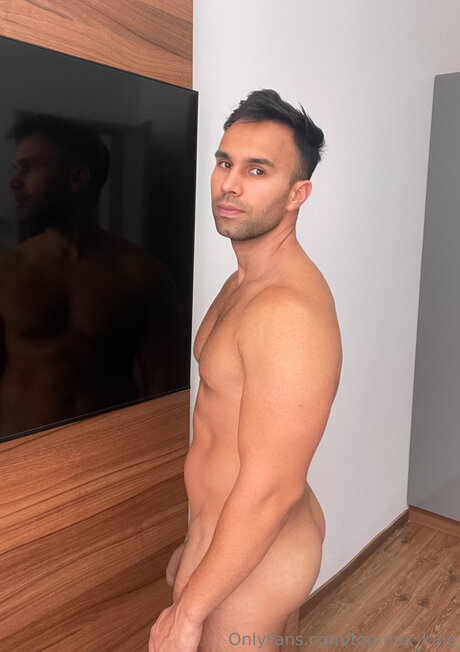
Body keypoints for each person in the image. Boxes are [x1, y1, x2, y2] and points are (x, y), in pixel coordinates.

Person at [149, 89, 342, 652]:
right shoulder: (245, 280)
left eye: (257, 170)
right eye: (224, 162)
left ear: (297, 193)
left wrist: (188, 611)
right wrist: (198, 534)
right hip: (233, 533)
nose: (229, 184)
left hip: (259, 556)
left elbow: (271, 489)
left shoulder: (287, 313)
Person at [0, 114, 182, 437]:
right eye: (16, 169)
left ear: (77, 178)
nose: (14, 182)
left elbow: (163, 385)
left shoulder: (142, 274)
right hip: (24, 454)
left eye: (28, 168)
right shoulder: (8, 269)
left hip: (108, 450)